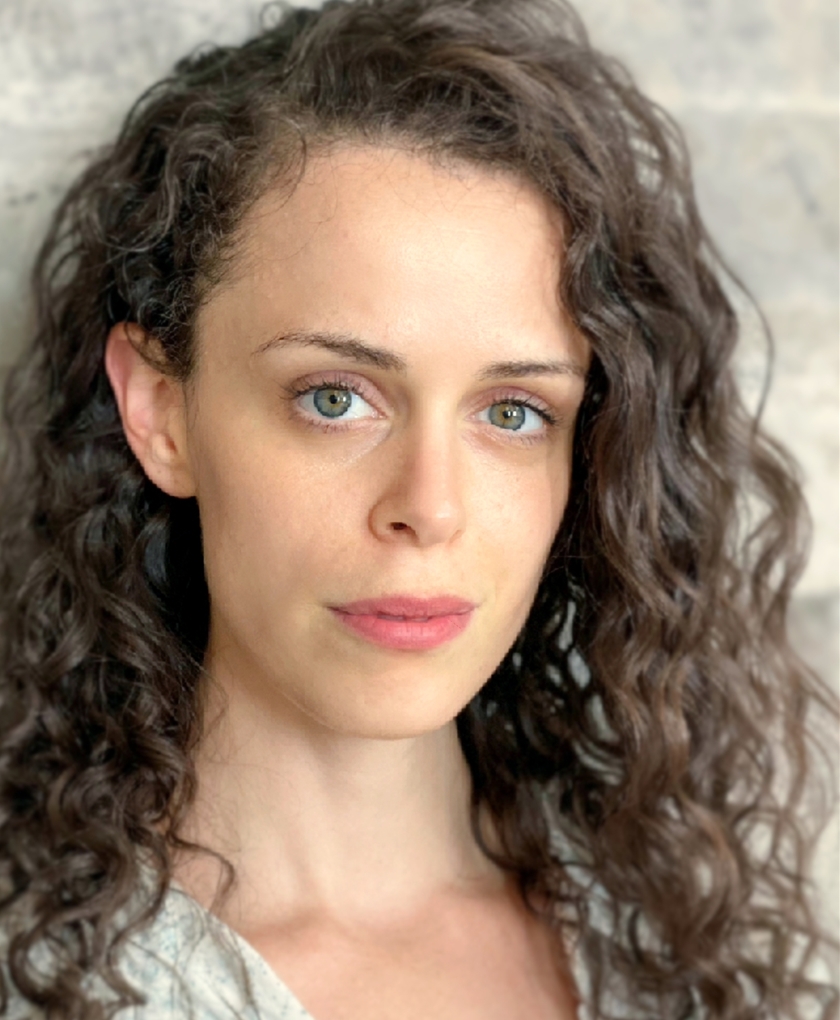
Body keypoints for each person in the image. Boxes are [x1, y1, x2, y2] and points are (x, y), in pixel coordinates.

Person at [0, 0, 836, 1017]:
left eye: (514, 412)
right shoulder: (58, 985)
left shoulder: (663, 939)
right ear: (161, 411)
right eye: (335, 399)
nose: (429, 509)